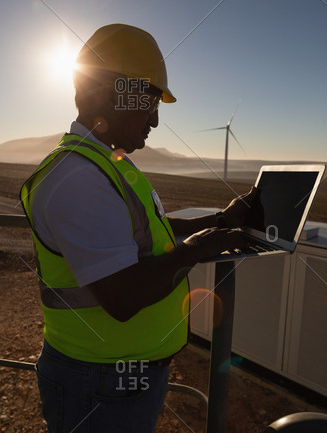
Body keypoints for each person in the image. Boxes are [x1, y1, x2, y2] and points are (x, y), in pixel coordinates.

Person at [19, 23, 261, 433]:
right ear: (108, 93)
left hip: (115, 377)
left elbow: (153, 232)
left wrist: (220, 220)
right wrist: (199, 248)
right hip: (98, 381)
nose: (155, 119)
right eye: (149, 103)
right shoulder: (76, 178)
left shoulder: (104, 162)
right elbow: (123, 295)